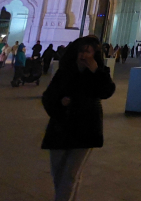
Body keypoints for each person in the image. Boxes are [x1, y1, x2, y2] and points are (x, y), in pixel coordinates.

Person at [41, 36, 116, 201]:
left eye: (88, 52)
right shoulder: (64, 72)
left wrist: (97, 71)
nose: (84, 56)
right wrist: (60, 104)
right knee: (59, 174)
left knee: (70, 175)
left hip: (86, 129)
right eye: (81, 51)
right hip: (61, 128)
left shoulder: (99, 73)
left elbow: (107, 91)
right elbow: (48, 97)